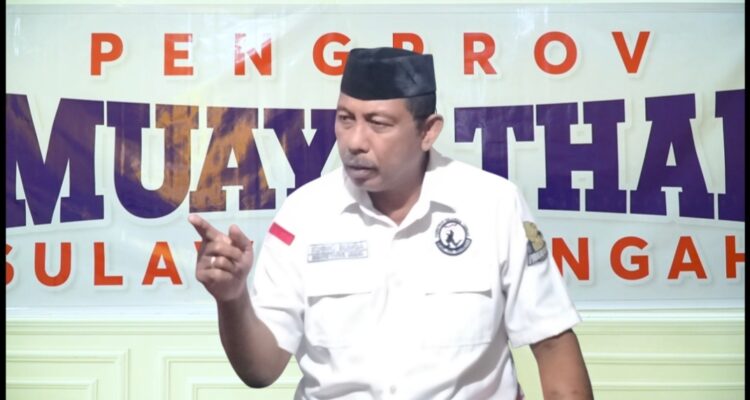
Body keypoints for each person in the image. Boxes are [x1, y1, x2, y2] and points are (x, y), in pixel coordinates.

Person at [189, 47, 594, 400]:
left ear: (428, 132)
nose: (355, 141)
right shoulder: (303, 215)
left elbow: (553, 344)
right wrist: (232, 299)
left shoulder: (493, 204)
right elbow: (260, 371)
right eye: (345, 119)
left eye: (378, 123)